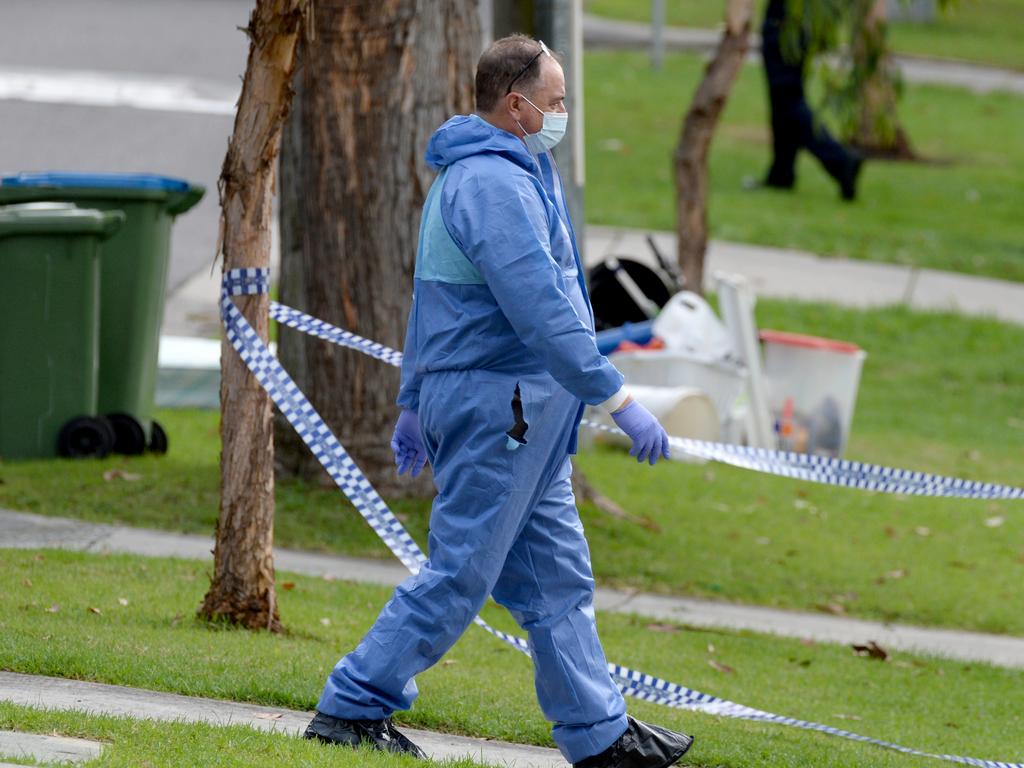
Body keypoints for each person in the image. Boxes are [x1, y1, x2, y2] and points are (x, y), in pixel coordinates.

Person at [304, 34, 694, 768]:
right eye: (555, 101)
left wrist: (414, 397)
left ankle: (600, 735)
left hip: (520, 410)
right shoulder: (493, 185)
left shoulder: (510, 171)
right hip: (502, 408)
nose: (564, 113)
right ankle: (352, 707)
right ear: (515, 106)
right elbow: (542, 310)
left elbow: (431, 300)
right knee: (462, 572)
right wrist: (617, 397)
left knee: (557, 580)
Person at [760, 0, 863, 200]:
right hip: (800, 17)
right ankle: (781, 173)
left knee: (787, 99)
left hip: (788, 20)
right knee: (783, 101)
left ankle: (840, 161)